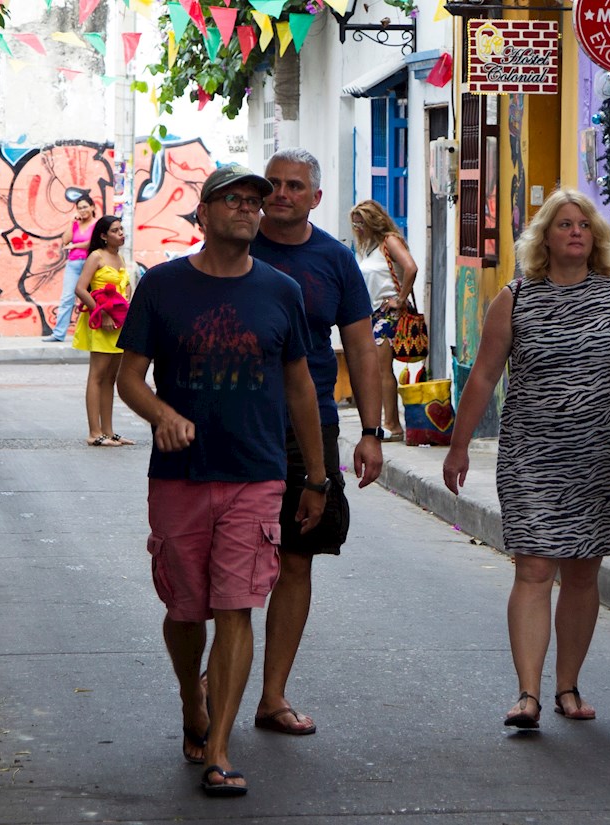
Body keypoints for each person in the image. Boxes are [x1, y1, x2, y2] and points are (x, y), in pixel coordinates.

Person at [115, 165, 329, 797]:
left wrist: (316, 478)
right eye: (232, 200)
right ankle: (192, 697)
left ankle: (219, 747)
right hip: (179, 476)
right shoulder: (162, 286)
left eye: (254, 202)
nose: (247, 209)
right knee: (185, 610)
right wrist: (162, 415)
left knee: (237, 605)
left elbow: (300, 386)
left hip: (255, 473)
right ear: (202, 214)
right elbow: (128, 377)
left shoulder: (280, 290)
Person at [442, 188, 610, 728]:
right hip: (532, 455)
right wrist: (459, 444)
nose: (575, 232)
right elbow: (485, 375)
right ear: (545, 236)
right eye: (563, 224)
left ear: (596, 238)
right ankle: (527, 694)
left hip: (600, 455)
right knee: (535, 567)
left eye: (583, 225)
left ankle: (567, 687)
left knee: (584, 572)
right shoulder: (515, 298)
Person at [249, 148, 385, 736]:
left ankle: (272, 696)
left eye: (295, 186)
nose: (282, 194)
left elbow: (360, 348)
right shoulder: (235, 245)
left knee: (297, 559)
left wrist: (372, 432)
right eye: (273, 184)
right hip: (237, 422)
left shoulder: (334, 260)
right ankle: (210, 681)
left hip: (311, 429)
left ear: (315, 198)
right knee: (228, 555)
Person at [350, 199, 419, 442]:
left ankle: (392, 424)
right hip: (374, 314)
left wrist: (399, 300)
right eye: (355, 224)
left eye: (361, 223)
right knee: (378, 370)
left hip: (388, 314)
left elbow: (411, 267)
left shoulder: (390, 240)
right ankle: (388, 421)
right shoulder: (371, 247)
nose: (357, 228)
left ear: (373, 221)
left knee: (382, 370)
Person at [72, 215, 135, 447]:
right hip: (100, 322)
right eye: (116, 230)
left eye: (122, 229)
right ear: (103, 235)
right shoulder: (96, 257)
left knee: (110, 378)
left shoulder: (119, 257)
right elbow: (80, 289)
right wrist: (103, 313)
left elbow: (125, 289)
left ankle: (108, 431)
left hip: (118, 323)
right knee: (97, 376)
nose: (121, 233)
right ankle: (94, 432)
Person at [44, 194, 97, 342]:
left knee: (91, 298)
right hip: (73, 263)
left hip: (90, 264)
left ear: (92, 207)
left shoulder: (97, 224)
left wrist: (74, 245)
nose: (82, 210)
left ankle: (93, 333)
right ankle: (58, 334)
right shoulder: (76, 224)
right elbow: (65, 240)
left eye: (85, 207)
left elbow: (92, 242)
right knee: (67, 297)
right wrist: (71, 222)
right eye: (79, 208)